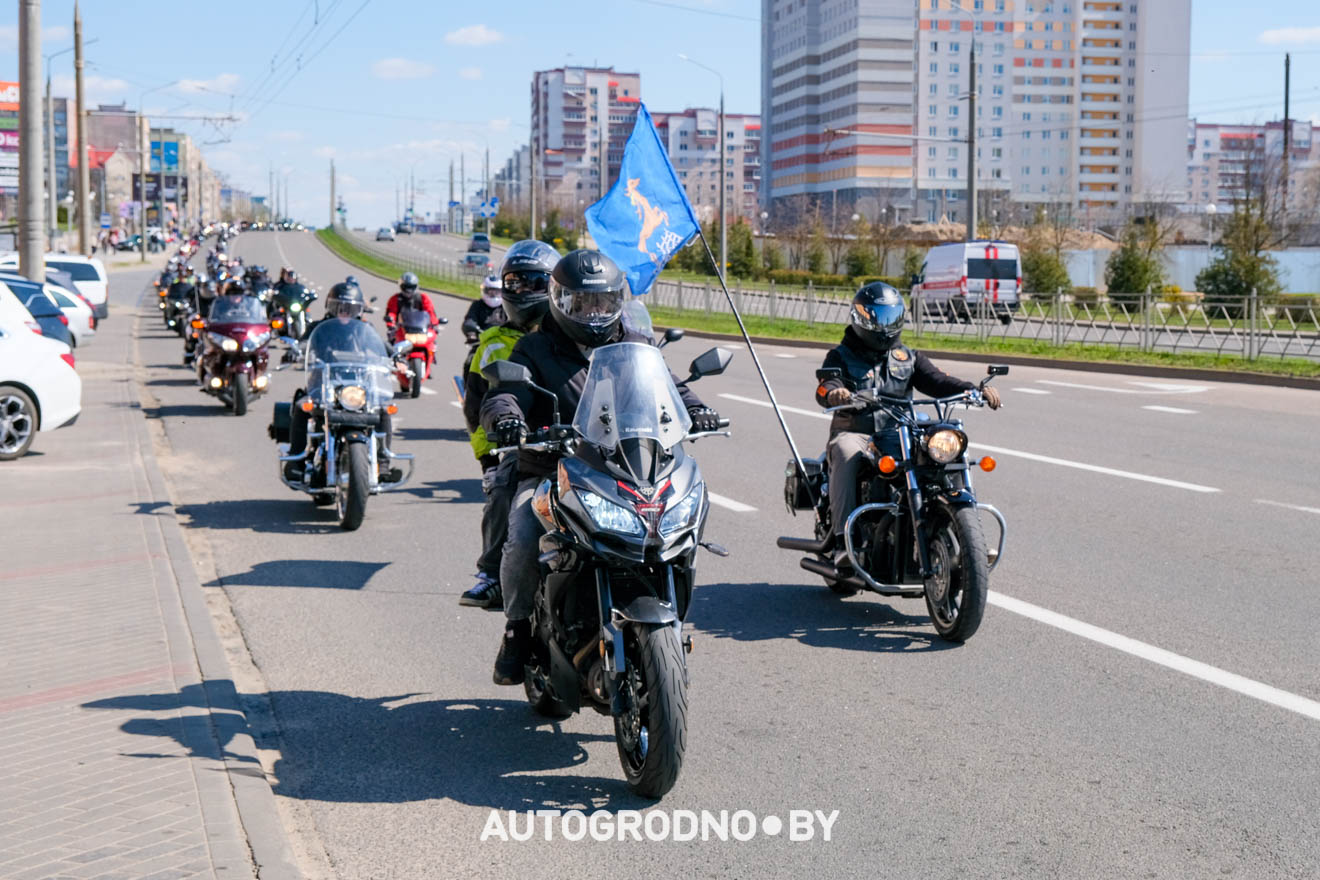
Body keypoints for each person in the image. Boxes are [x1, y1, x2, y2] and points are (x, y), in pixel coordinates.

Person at [480, 249, 721, 684]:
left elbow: (672, 387)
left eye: (604, 303)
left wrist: (698, 410)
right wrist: (507, 418)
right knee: (522, 530)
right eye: (582, 303)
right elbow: (503, 394)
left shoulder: (637, 345)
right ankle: (516, 628)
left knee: (682, 519)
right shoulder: (534, 348)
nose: (594, 313)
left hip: (628, 467)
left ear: (617, 303)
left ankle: (666, 622)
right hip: (554, 468)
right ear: (560, 301)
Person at [814, 282, 1001, 572]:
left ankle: (970, 541)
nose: (886, 326)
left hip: (900, 432)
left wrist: (971, 390)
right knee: (845, 451)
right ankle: (843, 542)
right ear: (862, 319)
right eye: (879, 318)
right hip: (858, 432)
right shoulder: (840, 356)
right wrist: (835, 392)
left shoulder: (908, 358)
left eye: (891, 317)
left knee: (946, 450)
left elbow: (938, 381)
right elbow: (827, 386)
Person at [457, 240, 557, 609]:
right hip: (523, 447)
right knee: (502, 491)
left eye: (533, 282)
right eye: (514, 282)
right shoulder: (493, 344)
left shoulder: (570, 337)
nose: (523, 290)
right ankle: (491, 574)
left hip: (584, 443)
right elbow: (476, 406)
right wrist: (489, 458)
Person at [282, 280, 397, 482]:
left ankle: (383, 462)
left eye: (350, 308)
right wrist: (295, 351)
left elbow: (383, 347)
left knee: (384, 409)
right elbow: (303, 343)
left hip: (358, 386)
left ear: (358, 310)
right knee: (302, 406)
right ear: (331, 307)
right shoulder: (318, 327)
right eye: (340, 307)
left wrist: (397, 358)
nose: (344, 313)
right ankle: (296, 461)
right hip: (324, 384)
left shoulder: (364, 329)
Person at [462, 275, 506, 342]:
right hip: (481, 341)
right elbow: (470, 319)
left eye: (496, 292)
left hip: (503, 341)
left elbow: (514, 322)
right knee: (473, 352)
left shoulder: (506, 306)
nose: (493, 294)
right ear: (484, 290)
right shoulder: (477, 304)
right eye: (490, 292)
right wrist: (472, 332)